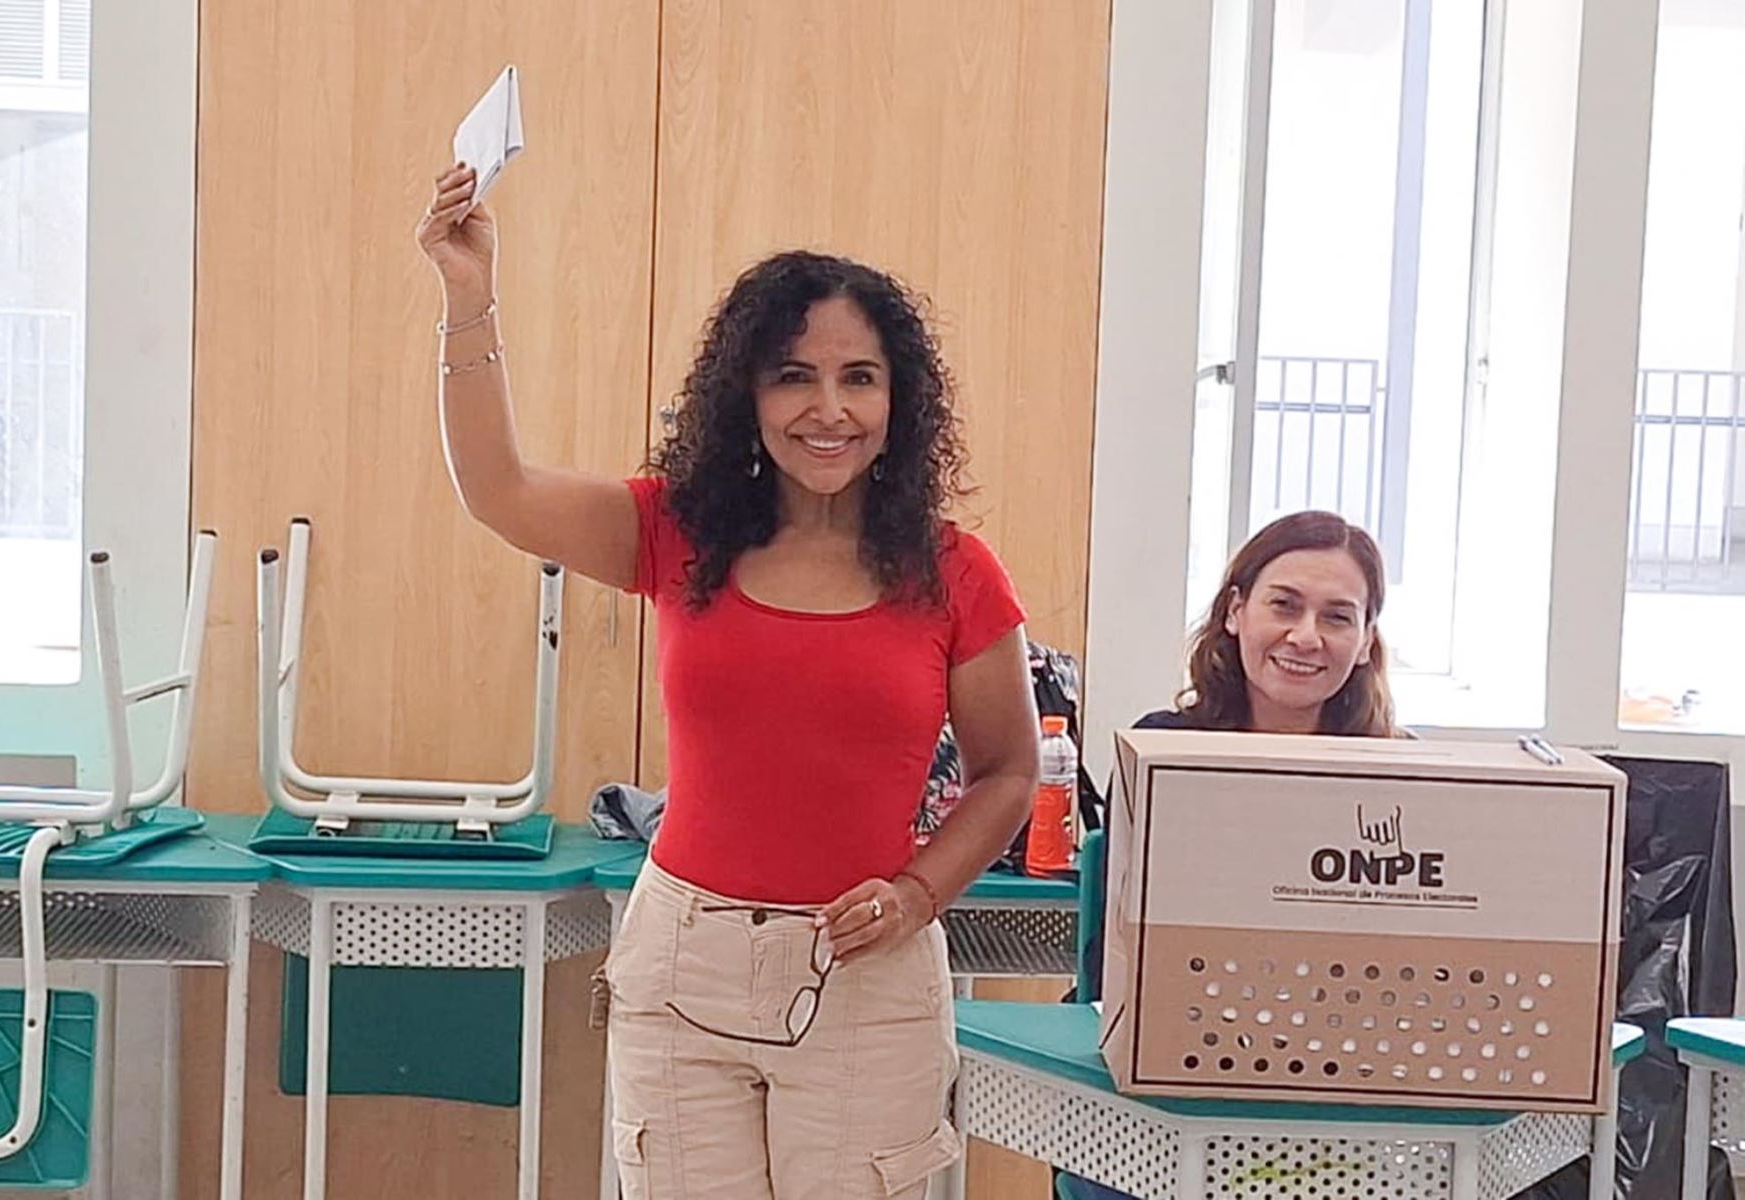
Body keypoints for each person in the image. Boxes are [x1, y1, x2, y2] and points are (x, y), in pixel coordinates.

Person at [416, 164, 1041, 1199]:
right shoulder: (676, 531)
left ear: (899, 401)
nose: (827, 408)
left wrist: (919, 892)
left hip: (865, 980)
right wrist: (467, 291)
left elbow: (1010, 771)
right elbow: (498, 489)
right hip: (683, 966)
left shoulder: (954, 572)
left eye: (859, 378)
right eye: (793, 375)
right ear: (746, 394)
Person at [1061, 509, 1401, 1200]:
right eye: (1284, 605)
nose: (1306, 637)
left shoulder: (1399, 779)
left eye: (1338, 617)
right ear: (1236, 612)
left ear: (1366, 641)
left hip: (1331, 1088)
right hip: (1167, 1074)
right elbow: (1118, 956)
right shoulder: (1162, 750)